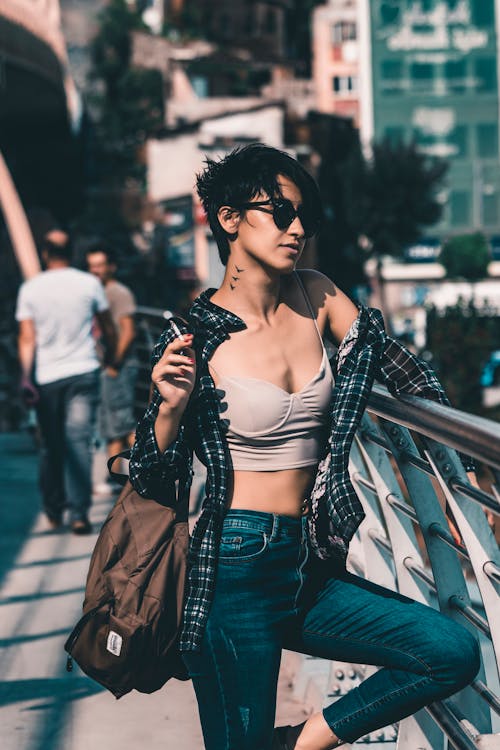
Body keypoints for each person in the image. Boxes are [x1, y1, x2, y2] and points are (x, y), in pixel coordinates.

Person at [129, 145, 480, 750]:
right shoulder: (195, 335)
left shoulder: (317, 296)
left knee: (449, 651)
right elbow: (153, 475)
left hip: (307, 561)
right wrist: (166, 407)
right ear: (227, 217)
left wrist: (461, 448)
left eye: (304, 217)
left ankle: (299, 743)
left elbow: (403, 370)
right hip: (231, 565)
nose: (296, 229)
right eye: (278, 212)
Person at [16, 230, 116, 534]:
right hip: (84, 371)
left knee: (51, 445)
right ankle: (79, 513)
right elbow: (108, 327)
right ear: (72, 252)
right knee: (79, 443)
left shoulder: (31, 289)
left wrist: (25, 377)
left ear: (45, 254)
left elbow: (26, 337)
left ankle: (53, 506)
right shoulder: (89, 284)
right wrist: (110, 355)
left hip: (47, 377)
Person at [86, 244, 138, 473]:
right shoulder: (96, 292)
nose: (95, 270)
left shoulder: (119, 293)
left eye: (99, 265)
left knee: (121, 425)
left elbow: (128, 330)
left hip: (119, 367)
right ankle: (118, 477)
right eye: (91, 266)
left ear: (111, 267)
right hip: (106, 368)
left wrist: (115, 364)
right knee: (111, 425)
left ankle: (142, 473)